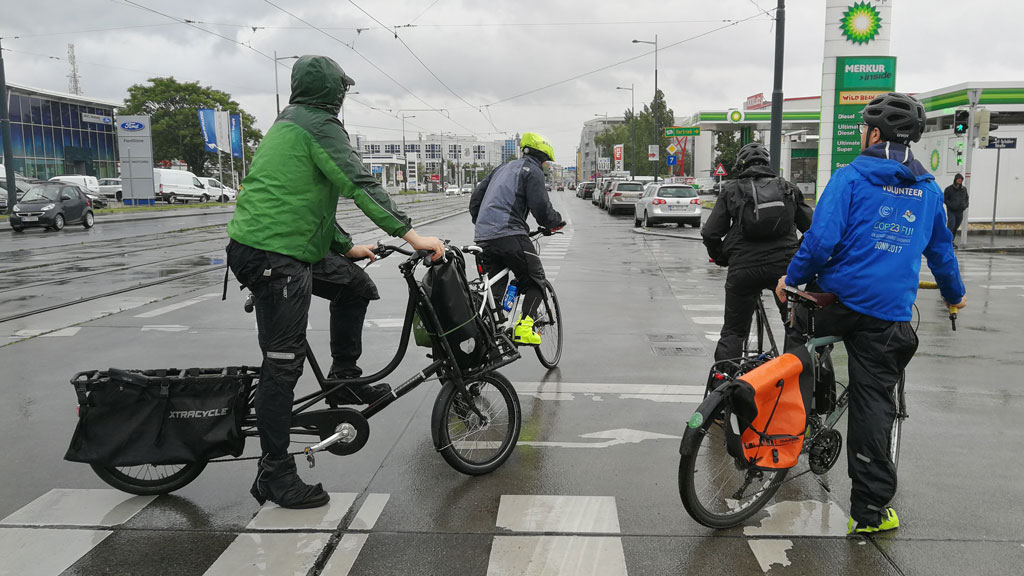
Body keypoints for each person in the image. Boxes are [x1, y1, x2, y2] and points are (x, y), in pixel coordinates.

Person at [225, 55, 444, 509]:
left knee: (354, 286)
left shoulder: (291, 121)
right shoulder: (318, 125)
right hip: (273, 256)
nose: (343, 99)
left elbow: (306, 200)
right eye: (341, 91)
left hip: (288, 247)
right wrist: (412, 235)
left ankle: (344, 380)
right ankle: (275, 471)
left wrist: (344, 247)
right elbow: (358, 184)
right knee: (282, 364)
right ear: (332, 93)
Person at [775, 92, 967, 536]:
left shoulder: (850, 177)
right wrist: (953, 296)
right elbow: (941, 253)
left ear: (874, 133)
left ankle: (794, 424)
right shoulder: (928, 189)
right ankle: (870, 513)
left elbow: (820, 242)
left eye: (866, 127)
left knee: (798, 350)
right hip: (886, 316)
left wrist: (793, 278)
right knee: (873, 402)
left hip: (834, 301)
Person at [701, 142, 813, 369]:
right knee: (794, 327)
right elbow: (814, 229)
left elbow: (711, 232)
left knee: (733, 331)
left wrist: (722, 257)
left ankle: (724, 387)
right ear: (767, 164)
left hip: (743, 269)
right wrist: (797, 253)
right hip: (784, 270)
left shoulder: (731, 190)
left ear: (741, 166)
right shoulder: (788, 188)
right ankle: (793, 380)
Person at [470, 132, 564, 345]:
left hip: (484, 237)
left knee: (494, 289)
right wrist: (554, 222)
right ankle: (524, 326)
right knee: (535, 278)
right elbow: (541, 208)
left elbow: (476, 198)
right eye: (546, 161)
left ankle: (490, 331)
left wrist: (482, 223)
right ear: (542, 157)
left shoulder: (501, 169)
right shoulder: (533, 171)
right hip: (510, 234)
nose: (546, 165)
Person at [943, 173, 969, 244]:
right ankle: (947, 240)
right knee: (951, 225)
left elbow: (966, 197)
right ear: (955, 180)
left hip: (960, 211)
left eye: (961, 180)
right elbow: (945, 199)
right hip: (951, 211)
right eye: (958, 179)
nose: (960, 181)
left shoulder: (964, 189)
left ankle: (951, 240)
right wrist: (950, 205)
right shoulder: (949, 189)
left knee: (956, 226)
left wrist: (965, 205)